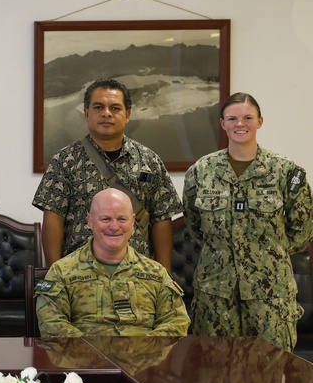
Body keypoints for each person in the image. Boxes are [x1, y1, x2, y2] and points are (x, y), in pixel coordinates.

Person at [183, 92, 313, 351]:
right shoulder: (201, 171)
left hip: (270, 293)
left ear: (260, 122)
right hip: (215, 293)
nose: (239, 124)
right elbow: (195, 224)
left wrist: (265, 253)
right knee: (214, 370)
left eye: (247, 118)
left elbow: (303, 229)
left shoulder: (285, 171)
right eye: (232, 118)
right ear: (222, 124)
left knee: (270, 371)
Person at [32, 78, 182, 269]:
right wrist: (55, 275)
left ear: (127, 114)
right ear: (86, 113)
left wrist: (164, 274)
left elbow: (162, 217)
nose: (106, 113)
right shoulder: (65, 161)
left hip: (137, 275)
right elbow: (53, 219)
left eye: (115, 108)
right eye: (98, 107)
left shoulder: (149, 161)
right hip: (79, 275)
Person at [36, 188, 190, 337]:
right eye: (106, 219)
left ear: (132, 222)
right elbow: (52, 325)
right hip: (84, 360)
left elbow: (176, 323)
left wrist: (141, 353)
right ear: (90, 221)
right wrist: (93, 355)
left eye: (122, 219)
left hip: (143, 360)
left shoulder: (156, 274)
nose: (114, 227)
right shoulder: (62, 272)